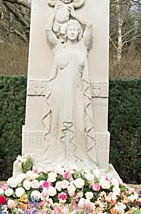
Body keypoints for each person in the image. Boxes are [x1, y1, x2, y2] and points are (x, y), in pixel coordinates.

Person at [41, 13, 98, 168]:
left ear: (79, 32)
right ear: (65, 32)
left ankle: (77, 156)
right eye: (70, 29)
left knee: (79, 123)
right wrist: (57, 11)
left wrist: (73, 14)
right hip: (59, 91)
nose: (72, 32)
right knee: (58, 123)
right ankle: (58, 156)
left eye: (75, 29)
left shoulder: (83, 46)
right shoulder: (58, 46)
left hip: (77, 91)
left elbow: (90, 25)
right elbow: (47, 29)